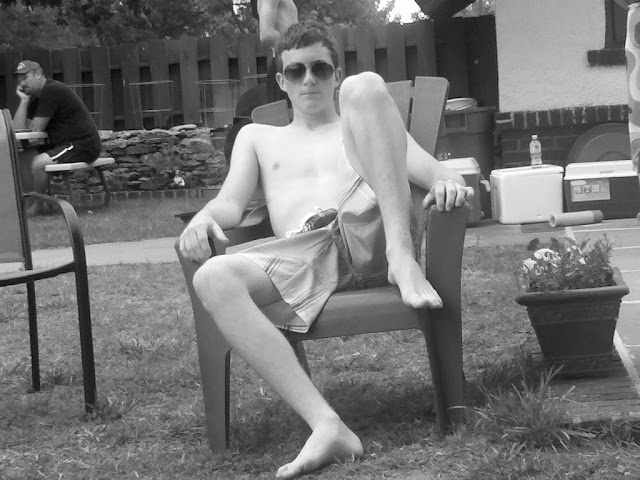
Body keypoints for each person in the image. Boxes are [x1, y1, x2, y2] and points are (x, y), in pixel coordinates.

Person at [179, 22, 473, 479]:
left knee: (366, 86)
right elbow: (230, 204)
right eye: (296, 72)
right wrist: (203, 217)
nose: (309, 80)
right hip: (304, 253)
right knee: (211, 278)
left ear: (334, 74)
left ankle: (401, 258)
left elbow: (436, 173)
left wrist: (448, 185)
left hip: (372, 233)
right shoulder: (257, 138)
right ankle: (327, 426)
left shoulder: (365, 125)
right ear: (281, 81)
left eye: (319, 68)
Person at [12, 60, 101, 207]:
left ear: (38, 74)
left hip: (82, 144)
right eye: (19, 80)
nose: (22, 84)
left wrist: (28, 110)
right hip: (62, 144)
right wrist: (24, 101)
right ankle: (25, 203)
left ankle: (34, 207)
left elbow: (35, 129)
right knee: (23, 158)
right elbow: (17, 130)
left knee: (38, 163)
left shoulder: (52, 90)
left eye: (25, 78)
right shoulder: (35, 99)